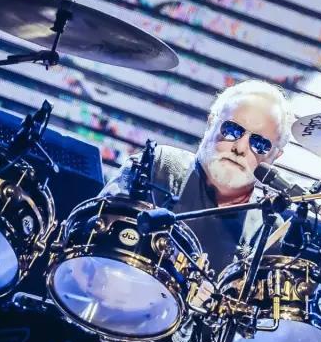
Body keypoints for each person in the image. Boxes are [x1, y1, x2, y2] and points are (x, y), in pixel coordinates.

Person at [101, 79, 295, 273]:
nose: (240, 148)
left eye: (260, 144)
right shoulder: (158, 165)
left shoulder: (268, 229)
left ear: (275, 156)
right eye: (232, 130)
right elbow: (97, 233)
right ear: (211, 123)